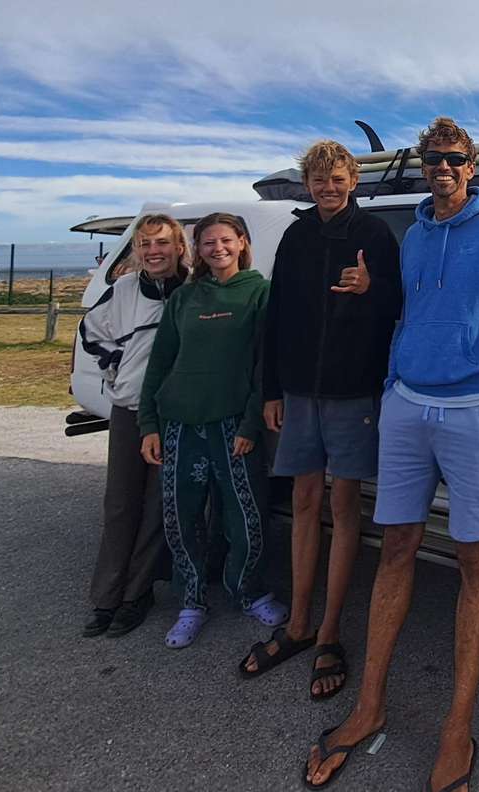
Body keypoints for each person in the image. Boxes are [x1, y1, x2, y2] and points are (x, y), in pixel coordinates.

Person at [301, 117, 479, 791]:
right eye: (432, 158)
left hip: (472, 414)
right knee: (397, 546)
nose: (442, 167)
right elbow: (405, 315)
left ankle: (456, 729)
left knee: (473, 558)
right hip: (407, 405)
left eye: (454, 159)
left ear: (471, 167)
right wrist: (391, 385)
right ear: (423, 165)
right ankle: (369, 705)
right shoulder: (414, 235)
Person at [239, 140, 402, 701]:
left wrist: (372, 287)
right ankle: (299, 622)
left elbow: (399, 310)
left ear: (353, 178)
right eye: (318, 179)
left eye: (337, 178)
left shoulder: (376, 236)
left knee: (342, 504)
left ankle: (330, 628)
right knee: (304, 500)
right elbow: (276, 315)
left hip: (352, 393)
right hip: (299, 392)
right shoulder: (295, 235)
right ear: (308, 184)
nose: (328, 187)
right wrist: (271, 390)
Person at [138, 212, 288, 648]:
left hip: (232, 425)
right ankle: (192, 600)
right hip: (180, 423)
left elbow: (265, 366)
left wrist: (250, 423)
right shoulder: (185, 299)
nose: (217, 248)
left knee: (246, 515)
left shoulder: (260, 293)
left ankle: (249, 590)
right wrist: (149, 422)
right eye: (207, 242)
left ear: (242, 243)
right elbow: (160, 362)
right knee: (182, 517)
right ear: (197, 249)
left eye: (226, 240)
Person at [75, 214, 186, 638]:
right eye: (144, 244)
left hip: (174, 412)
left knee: (159, 505)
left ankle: (136, 594)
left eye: (162, 242)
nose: (153, 251)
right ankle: (107, 596)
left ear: (179, 247)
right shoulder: (122, 290)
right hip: (129, 409)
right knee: (121, 504)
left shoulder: (193, 291)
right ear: (137, 252)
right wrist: (116, 364)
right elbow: (91, 330)